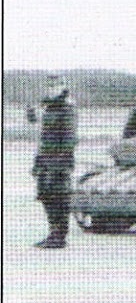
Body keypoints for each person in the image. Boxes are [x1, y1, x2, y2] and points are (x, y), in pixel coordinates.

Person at [32, 76, 77, 249]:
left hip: (59, 161)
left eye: (55, 85)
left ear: (62, 87)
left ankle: (59, 236)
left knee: (59, 198)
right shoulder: (48, 107)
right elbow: (40, 133)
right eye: (49, 86)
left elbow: (69, 138)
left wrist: (60, 162)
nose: (52, 89)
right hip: (44, 158)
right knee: (45, 196)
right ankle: (53, 233)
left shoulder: (67, 108)